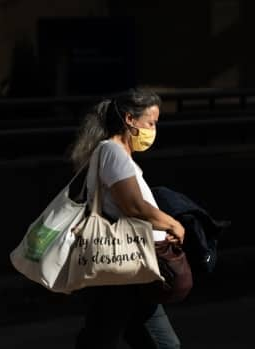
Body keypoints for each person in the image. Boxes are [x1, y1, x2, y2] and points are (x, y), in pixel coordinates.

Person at [69, 88, 185, 349]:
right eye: (151, 123)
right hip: (124, 266)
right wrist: (172, 224)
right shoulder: (113, 152)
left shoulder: (114, 154)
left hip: (131, 268)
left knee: (111, 336)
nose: (153, 130)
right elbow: (133, 205)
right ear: (130, 120)